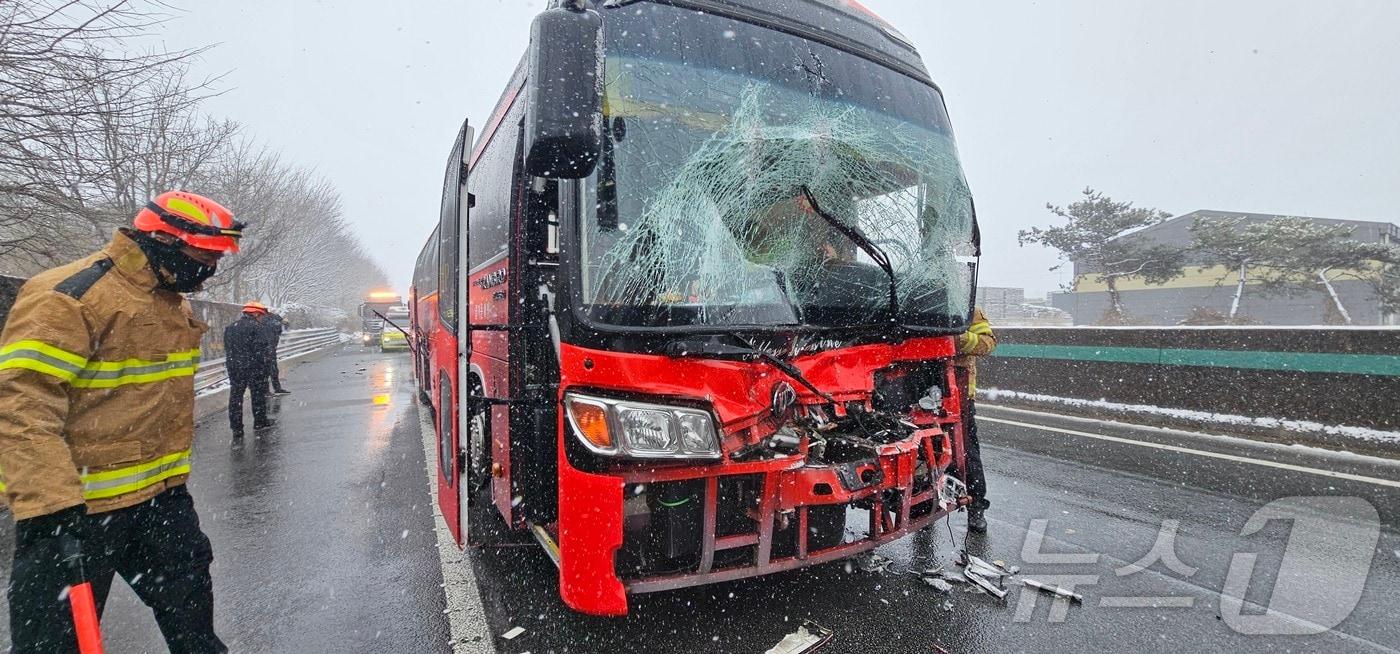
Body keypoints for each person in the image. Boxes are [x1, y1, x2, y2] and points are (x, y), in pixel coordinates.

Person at [0, 191, 240, 653]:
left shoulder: (170, 299)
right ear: (161, 241)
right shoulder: (71, 296)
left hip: (160, 501)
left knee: (196, 634)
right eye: (202, 254)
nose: (209, 267)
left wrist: (172, 486)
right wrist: (52, 506)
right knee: (53, 642)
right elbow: (20, 404)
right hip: (74, 513)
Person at [951, 306, 996, 533]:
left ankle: (976, 506)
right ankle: (923, 506)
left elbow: (987, 343)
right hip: (924, 390)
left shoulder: (969, 310)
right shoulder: (919, 305)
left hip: (959, 393)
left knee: (967, 451)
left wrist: (957, 338)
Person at [224, 302, 275, 436]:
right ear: (256, 313)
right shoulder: (258, 328)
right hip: (254, 367)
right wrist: (265, 367)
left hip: (234, 366)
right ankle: (259, 422)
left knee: (235, 397)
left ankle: (237, 428)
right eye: (261, 315)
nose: (262, 318)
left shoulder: (230, 328)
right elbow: (262, 349)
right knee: (257, 395)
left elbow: (228, 349)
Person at [262, 309, 290, 395]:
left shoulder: (267, 319)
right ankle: (275, 389)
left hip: (266, 348)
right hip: (269, 348)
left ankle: (267, 390)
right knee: (271, 370)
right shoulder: (274, 319)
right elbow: (282, 329)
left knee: (268, 370)